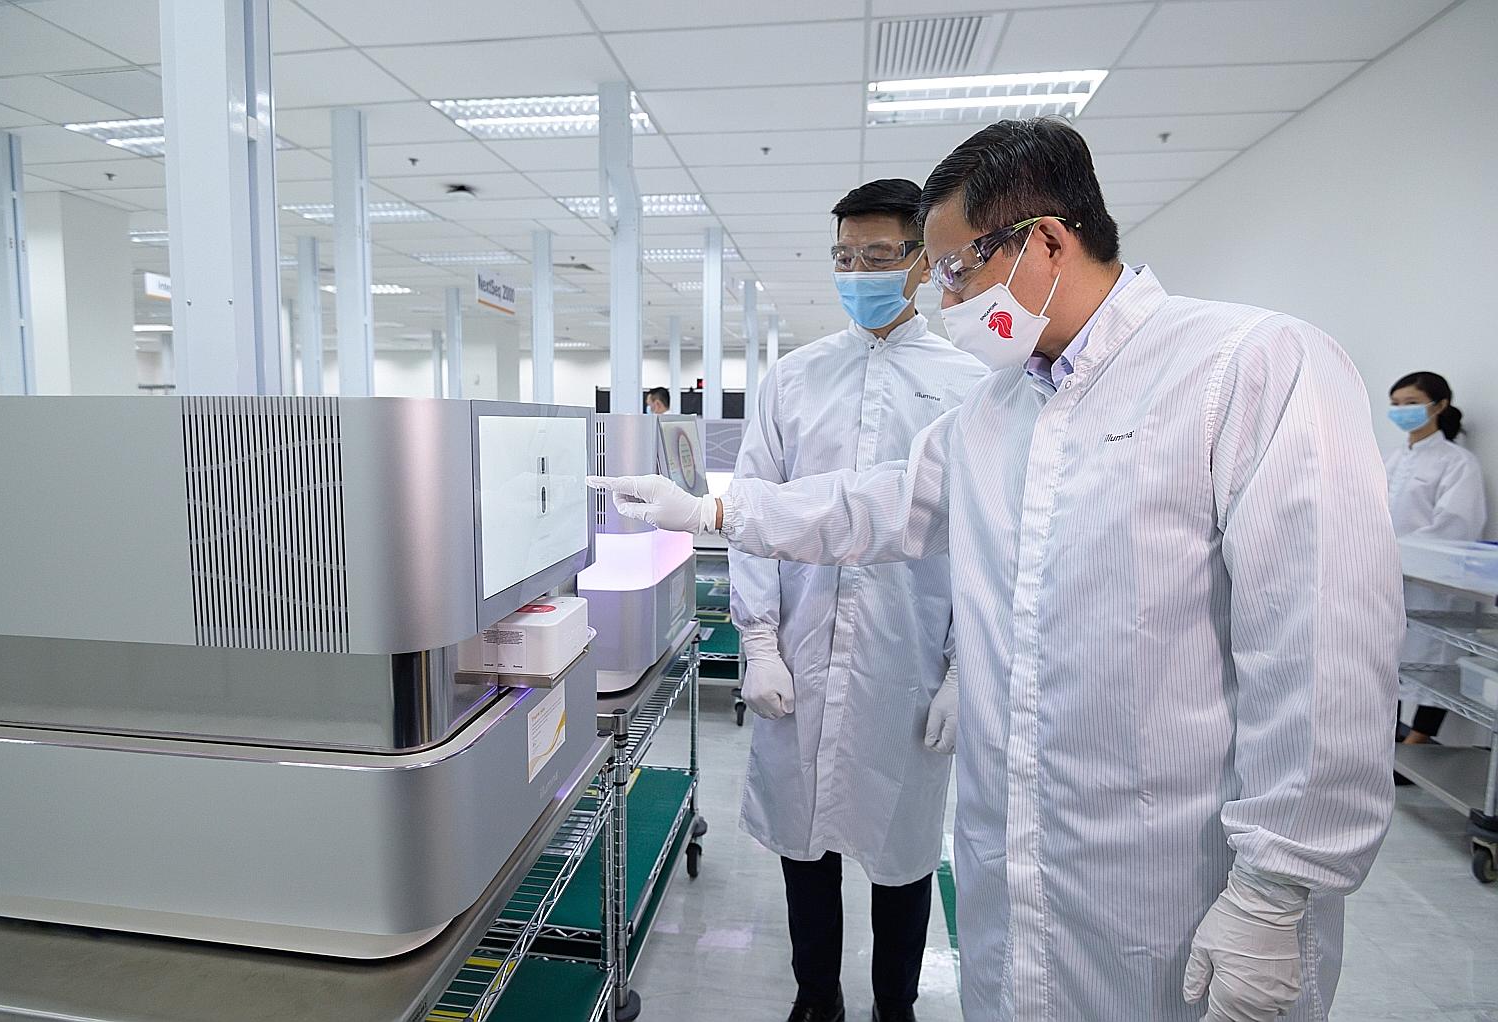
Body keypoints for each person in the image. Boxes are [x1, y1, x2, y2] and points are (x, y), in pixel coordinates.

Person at [591, 118, 1402, 1022]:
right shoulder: (1000, 410)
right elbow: (875, 504)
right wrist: (714, 510)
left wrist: (1278, 891)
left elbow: (1323, 652)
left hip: (1179, 884)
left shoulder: (1248, 368)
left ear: (1046, 241)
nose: (942, 301)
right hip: (1012, 867)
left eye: (955, 269)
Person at [731, 178, 989, 1022]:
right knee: (804, 848)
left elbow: (986, 544)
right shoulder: (796, 378)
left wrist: (964, 671)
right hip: (802, 647)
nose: (858, 272)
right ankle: (817, 998)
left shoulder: (968, 383)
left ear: (921, 261)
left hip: (906, 656)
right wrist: (760, 641)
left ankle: (895, 1006)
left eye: (878, 256)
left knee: (904, 850)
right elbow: (754, 510)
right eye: (845, 256)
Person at [1385, 371, 1487, 745]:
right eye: (1396, 404)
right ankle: (1387, 743)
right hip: (1386, 578)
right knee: (1387, 657)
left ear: (1439, 405)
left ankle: (1418, 744)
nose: (1401, 411)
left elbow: (1457, 524)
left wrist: (1397, 552)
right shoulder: (1391, 460)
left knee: (1432, 659)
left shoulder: (1457, 462)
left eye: (1411, 403)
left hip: (1432, 581)